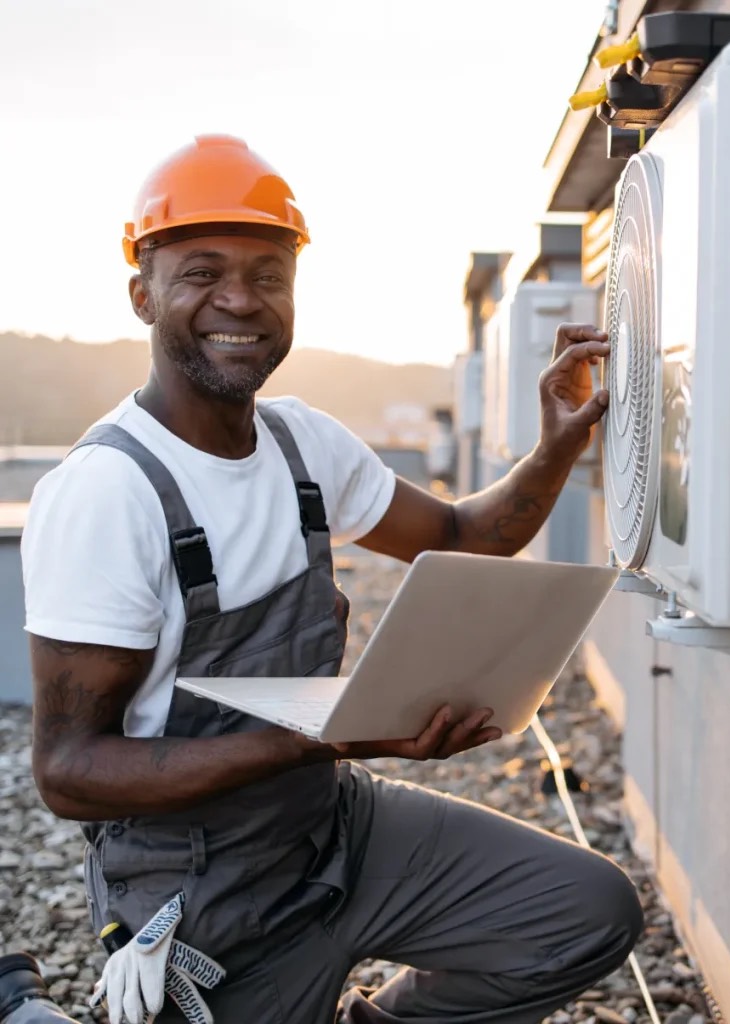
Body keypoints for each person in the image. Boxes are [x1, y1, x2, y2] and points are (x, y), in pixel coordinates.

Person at [22, 135, 642, 1024]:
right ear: (142, 293)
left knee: (582, 912)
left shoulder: (301, 444)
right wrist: (325, 738)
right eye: (202, 273)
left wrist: (555, 447)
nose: (241, 299)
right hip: (204, 886)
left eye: (268, 275)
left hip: (331, 827)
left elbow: (464, 535)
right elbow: (69, 772)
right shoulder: (107, 494)